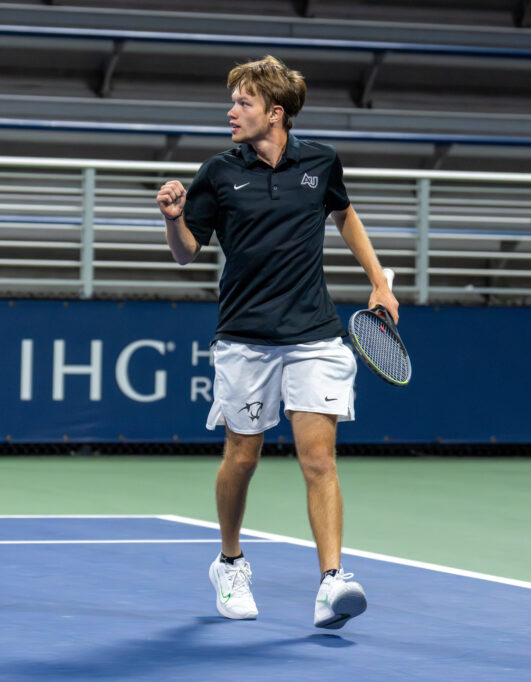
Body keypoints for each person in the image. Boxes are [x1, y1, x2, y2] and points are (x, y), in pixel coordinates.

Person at [155, 55, 399, 629]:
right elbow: (189, 251)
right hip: (245, 337)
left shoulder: (319, 162)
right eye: (233, 100)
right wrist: (171, 218)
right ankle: (230, 563)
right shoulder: (218, 171)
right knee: (242, 457)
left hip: (314, 333)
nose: (231, 110)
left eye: (243, 102)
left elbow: (345, 216)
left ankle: (332, 581)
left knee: (319, 459)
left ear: (275, 112)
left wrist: (380, 281)